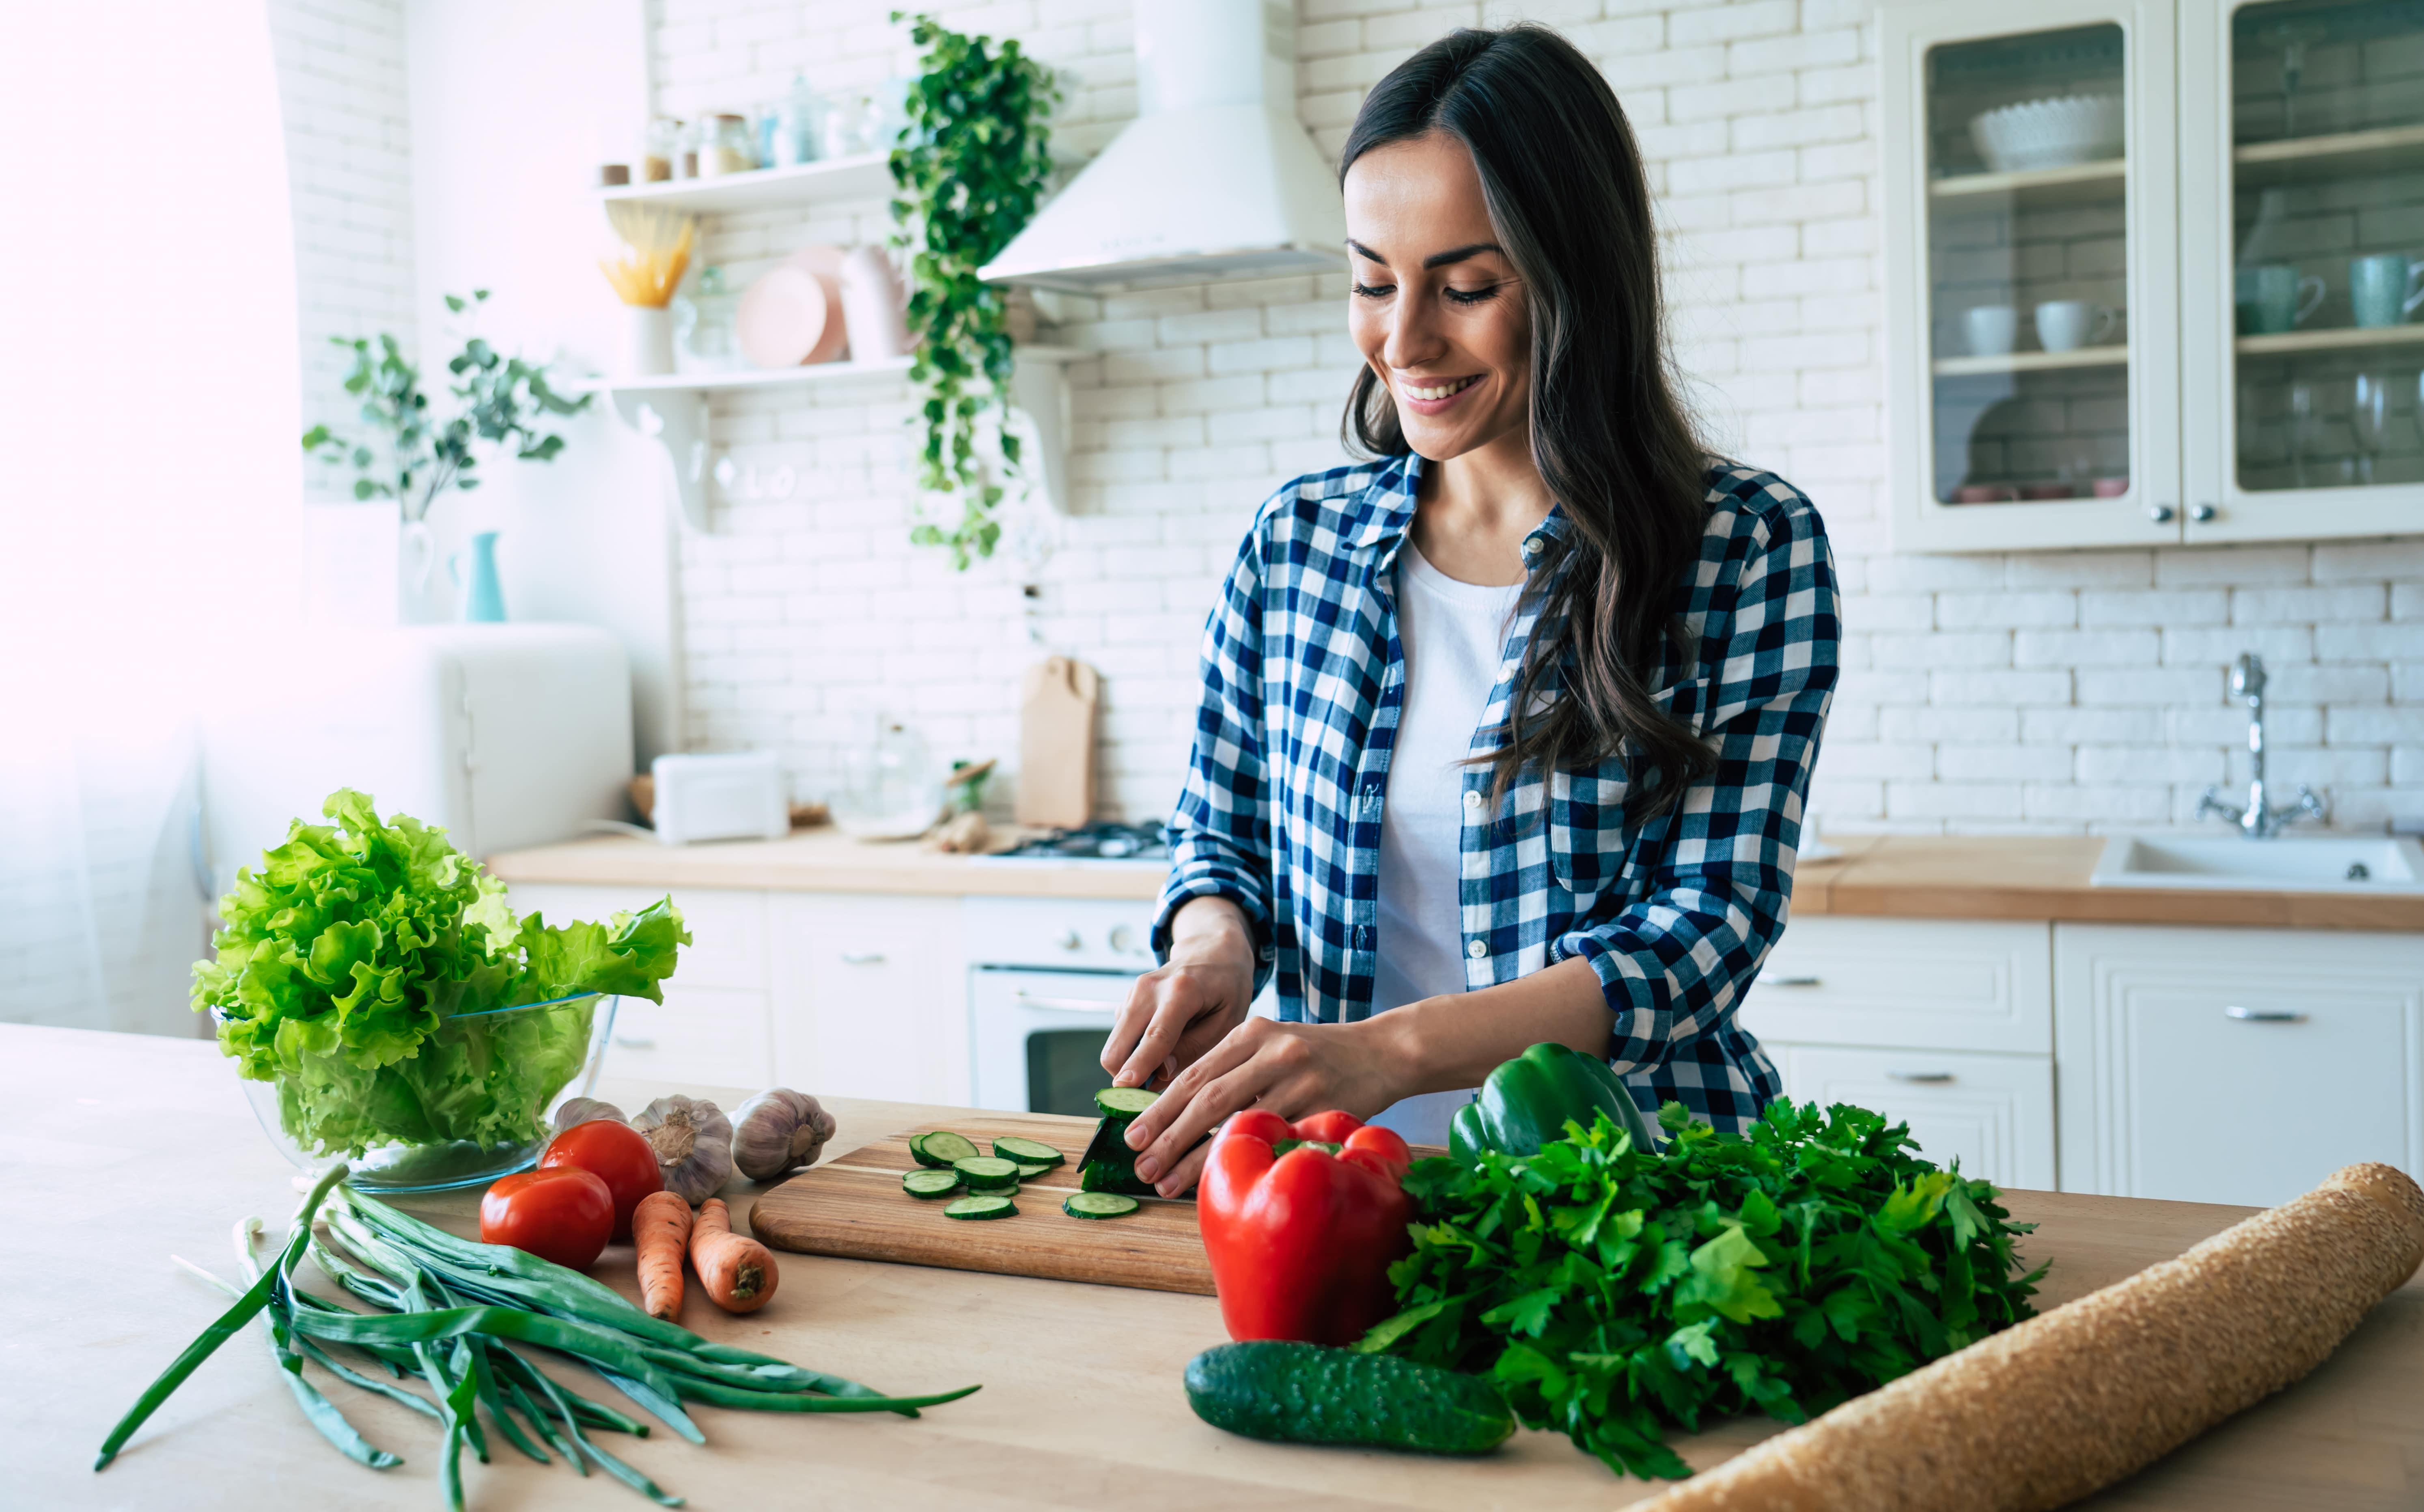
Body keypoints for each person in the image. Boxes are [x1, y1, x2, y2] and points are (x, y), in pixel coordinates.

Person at [1100, 24, 1841, 1198]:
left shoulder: (1741, 548)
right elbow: (1220, 833)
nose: (1404, 341)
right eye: (1371, 281)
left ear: (1573, 277)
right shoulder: (1297, 543)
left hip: (1636, 1199)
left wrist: (1386, 1054)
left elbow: (1706, 930)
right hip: (1338, 1194)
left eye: (1467, 287)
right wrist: (1213, 946)